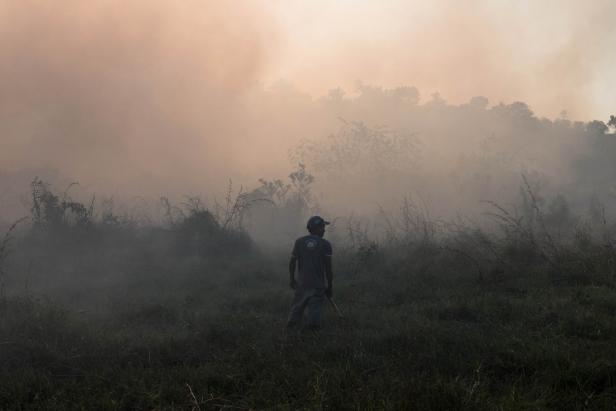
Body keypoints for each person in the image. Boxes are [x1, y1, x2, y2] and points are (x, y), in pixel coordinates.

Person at [286, 216, 334, 330]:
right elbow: (328, 269)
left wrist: (292, 279)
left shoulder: (299, 242)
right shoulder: (325, 244)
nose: (324, 230)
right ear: (315, 228)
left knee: (295, 313)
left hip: (302, 285)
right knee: (314, 318)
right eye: (322, 227)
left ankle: (290, 335)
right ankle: (311, 338)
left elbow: (292, 262)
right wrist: (330, 286)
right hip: (317, 286)